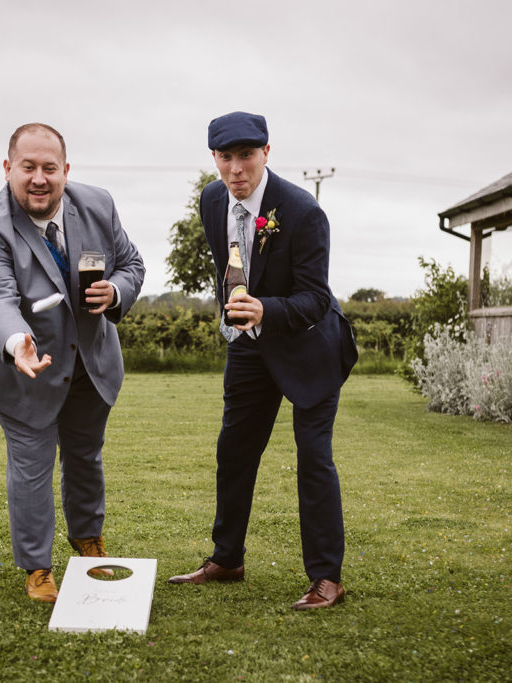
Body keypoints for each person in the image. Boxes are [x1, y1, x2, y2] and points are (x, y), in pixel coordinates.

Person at [167, 112, 357, 609]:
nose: (235, 170)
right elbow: (225, 265)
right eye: (225, 158)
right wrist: (235, 315)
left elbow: (316, 298)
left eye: (246, 156)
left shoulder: (302, 211)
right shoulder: (211, 199)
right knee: (234, 451)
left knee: (314, 459)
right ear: (214, 158)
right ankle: (227, 558)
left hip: (311, 346)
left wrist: (265, 309)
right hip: (249, 346)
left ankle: (327, 579)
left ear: (266, 154)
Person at [0, 123, 145, 603]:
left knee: (85, 457)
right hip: (26, 365)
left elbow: (133, 264)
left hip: (90, 364)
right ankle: (38, 569)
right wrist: (17, 343)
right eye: (28, 167)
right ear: (8, 168)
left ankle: (88, 543)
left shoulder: (98, 204)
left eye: (49, 168)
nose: (39, 178)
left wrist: (116, 290)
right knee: (31, 467)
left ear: (65, 171)